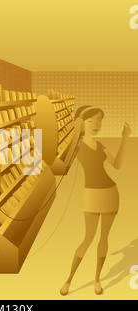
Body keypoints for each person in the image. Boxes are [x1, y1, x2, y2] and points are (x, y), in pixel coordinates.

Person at [60, 105, 131, 296]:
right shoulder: (78, 145)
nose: (96, 124)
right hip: (91, 194)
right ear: (82, 123)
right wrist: (75, 133)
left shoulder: (100, 146)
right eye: (91, 121)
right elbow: (64, 164)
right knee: (88, 238)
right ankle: (69, 279)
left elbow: (116, 165)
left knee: (103, 238)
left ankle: (97, 279)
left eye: (99, 120)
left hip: (110, 193)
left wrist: (124, 138)